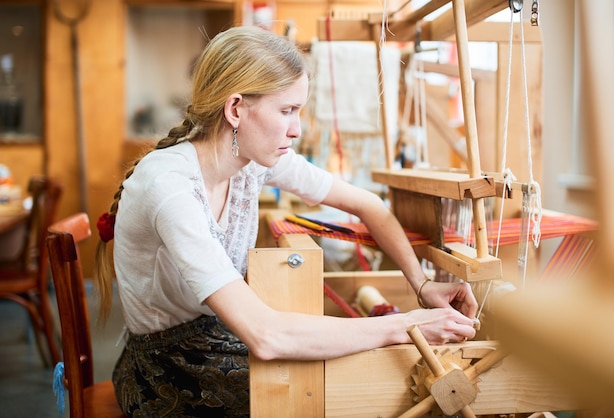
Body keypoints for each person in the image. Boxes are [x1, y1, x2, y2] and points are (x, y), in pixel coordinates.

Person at [94, 25, 478, 418]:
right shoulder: (172, 188)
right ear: (236, 109)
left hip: (218, 338)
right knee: (335, 391)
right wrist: (407, 327)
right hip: (165, 370)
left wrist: (423, 284)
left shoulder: (250, 162)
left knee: (350, 374)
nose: (296, 129)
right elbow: (265, 335)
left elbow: (368, 206)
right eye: (287, 111)